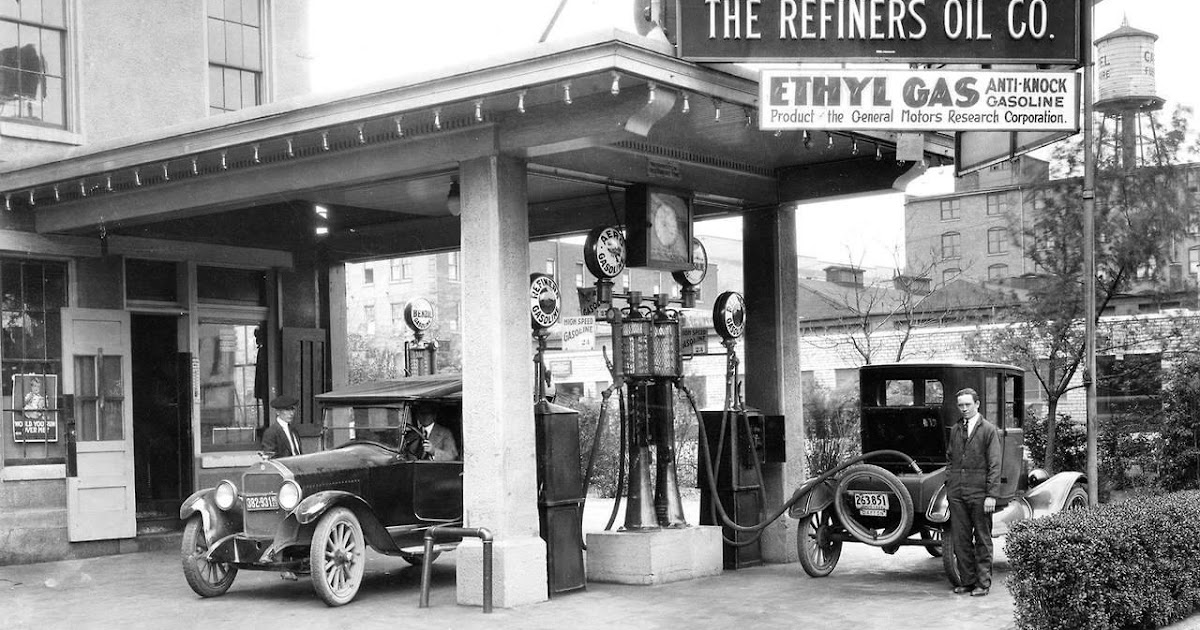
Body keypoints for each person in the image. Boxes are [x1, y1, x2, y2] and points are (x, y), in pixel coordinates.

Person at [946, 387, 1002, 597]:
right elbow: (950, 459)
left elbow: (995, 464)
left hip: (980, 493)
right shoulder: (955, 429)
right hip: (957, 492)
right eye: (960, 405)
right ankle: (967, 582)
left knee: (982, 538)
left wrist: (991, 495)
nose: (964, 409)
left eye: (968, 404)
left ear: (977, 404)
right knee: (960, 539)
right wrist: (950, 482)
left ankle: (983, 584)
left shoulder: (988, 430)